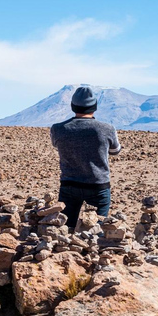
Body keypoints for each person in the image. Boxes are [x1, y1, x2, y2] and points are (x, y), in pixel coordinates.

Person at [50, 86, 122, 230]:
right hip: (98, 185)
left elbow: (57, 146)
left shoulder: (58, 129)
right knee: (97, 229)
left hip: (69, 184)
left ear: (72, 106)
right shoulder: (107, 128)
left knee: (65, 229)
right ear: (94, 106)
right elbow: (115, 150)